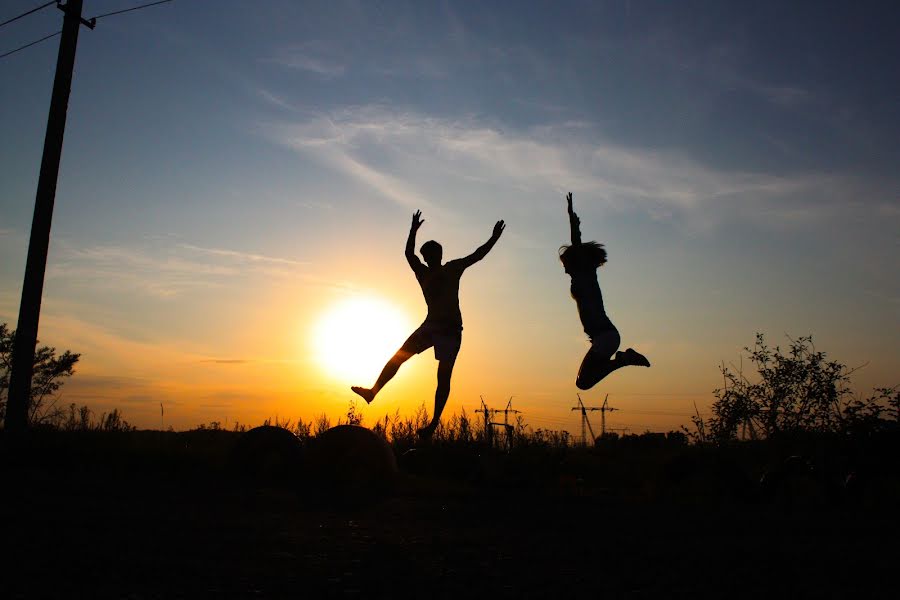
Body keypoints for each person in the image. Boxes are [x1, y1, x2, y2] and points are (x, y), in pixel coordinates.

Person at [352, 210, 505, 439]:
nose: (429, 258)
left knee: (443, 376)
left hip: (451, 329)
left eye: (432, 254)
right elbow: (408, 253)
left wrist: (493, 238)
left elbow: (477, 255)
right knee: (398, 357)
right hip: (431, 325)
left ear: (438, 255)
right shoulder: (423, 273)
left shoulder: (452, 268)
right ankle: (373, 392)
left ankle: (433, 423)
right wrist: (412, 231)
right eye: (427, 255)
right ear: (425, 258)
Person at [560, 192, 649, 389]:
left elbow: (577, 246)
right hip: (603, 338)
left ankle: (624, 360)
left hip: (605, 337)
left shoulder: (584, 274)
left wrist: (572, 222)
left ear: (574, 262)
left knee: (583, 382)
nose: (564, 268)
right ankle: (623, 359)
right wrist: (576, 226)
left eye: (565, 263)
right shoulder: (583, 275)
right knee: (583, 381)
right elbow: (577, 247)